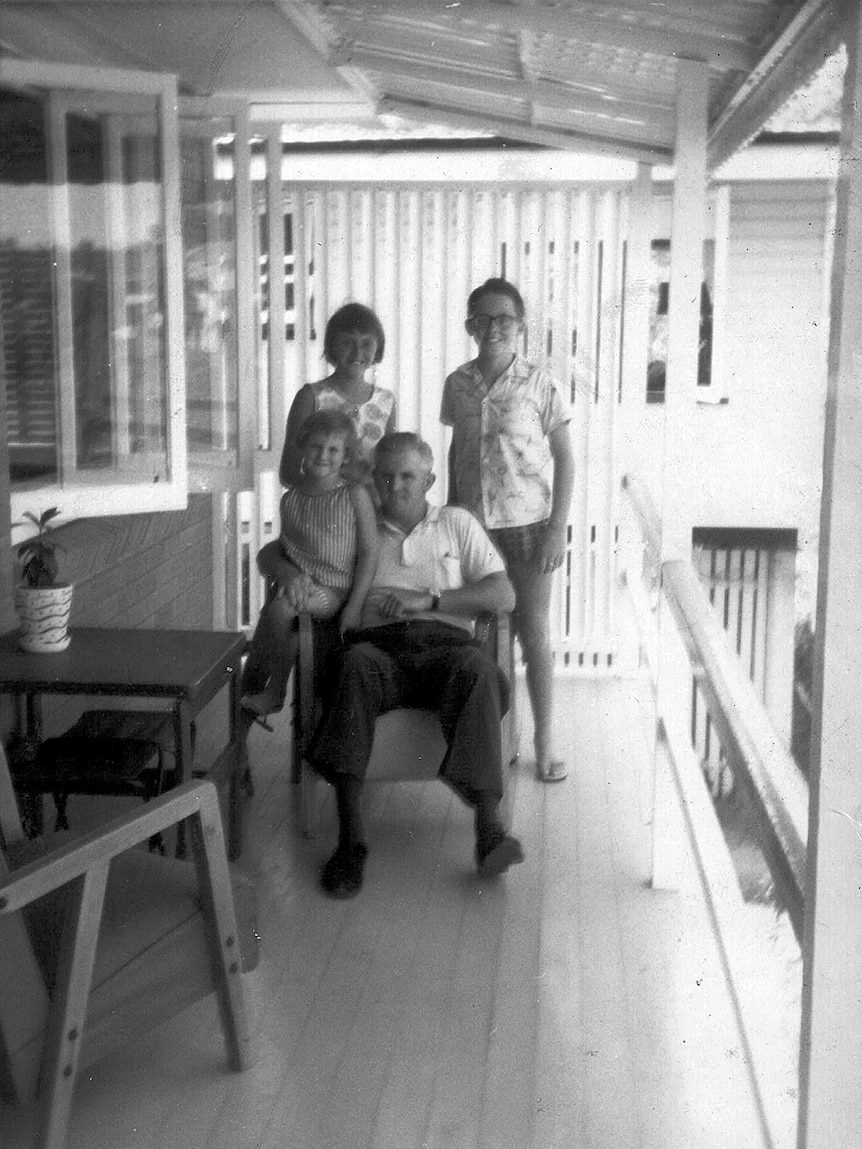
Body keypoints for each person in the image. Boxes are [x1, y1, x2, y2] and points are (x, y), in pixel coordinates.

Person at [301, 431, 522, 899]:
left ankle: (489, 832)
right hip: (378, 652)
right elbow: (286, 553)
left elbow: (504, 594)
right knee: (354, 667)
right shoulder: (356, 525)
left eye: (407, 476)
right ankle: (351, 842)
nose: (394, 486)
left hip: (448, 649)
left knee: (480, 672)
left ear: (429, 479)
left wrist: (431, 599)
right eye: (384, 475)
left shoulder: (457, 523)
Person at [441, 277, 575, 783]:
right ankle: (496, 738)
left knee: (532, 631)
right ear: (471, 325)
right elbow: (458, 452)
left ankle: (545, 739)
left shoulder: (541, 383)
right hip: (474, 527)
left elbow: (566, 458)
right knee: (478, 637)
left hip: (529, 526)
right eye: (484, 318)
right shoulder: (457, 383)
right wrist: (452, 517)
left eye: (505, 319)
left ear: (520, 327)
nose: (494, 327)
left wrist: (557, 529)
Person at [241, 409, 378, 719]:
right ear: (302, 448)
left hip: (335, 591)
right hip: (302, 585)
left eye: (333, 449)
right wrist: (292, 576)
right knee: (290, 641)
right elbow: (283, 550)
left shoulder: (353, 495)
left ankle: (274, 694)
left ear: (345, 456)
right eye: (316, 446)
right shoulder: (292, 500)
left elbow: (369, 553)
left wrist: (354, 606)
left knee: (279, 609)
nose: (323, 455)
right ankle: (269, 692)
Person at [279, 302, 395, 491]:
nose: (357, 351)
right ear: (332, 346)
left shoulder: (386, 401)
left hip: (373, 513)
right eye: (347, 343)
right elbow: (288, 472)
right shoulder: (311, 397)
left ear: (378, 348)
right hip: (322, 512)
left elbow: (391, 469)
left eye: (366, 343)